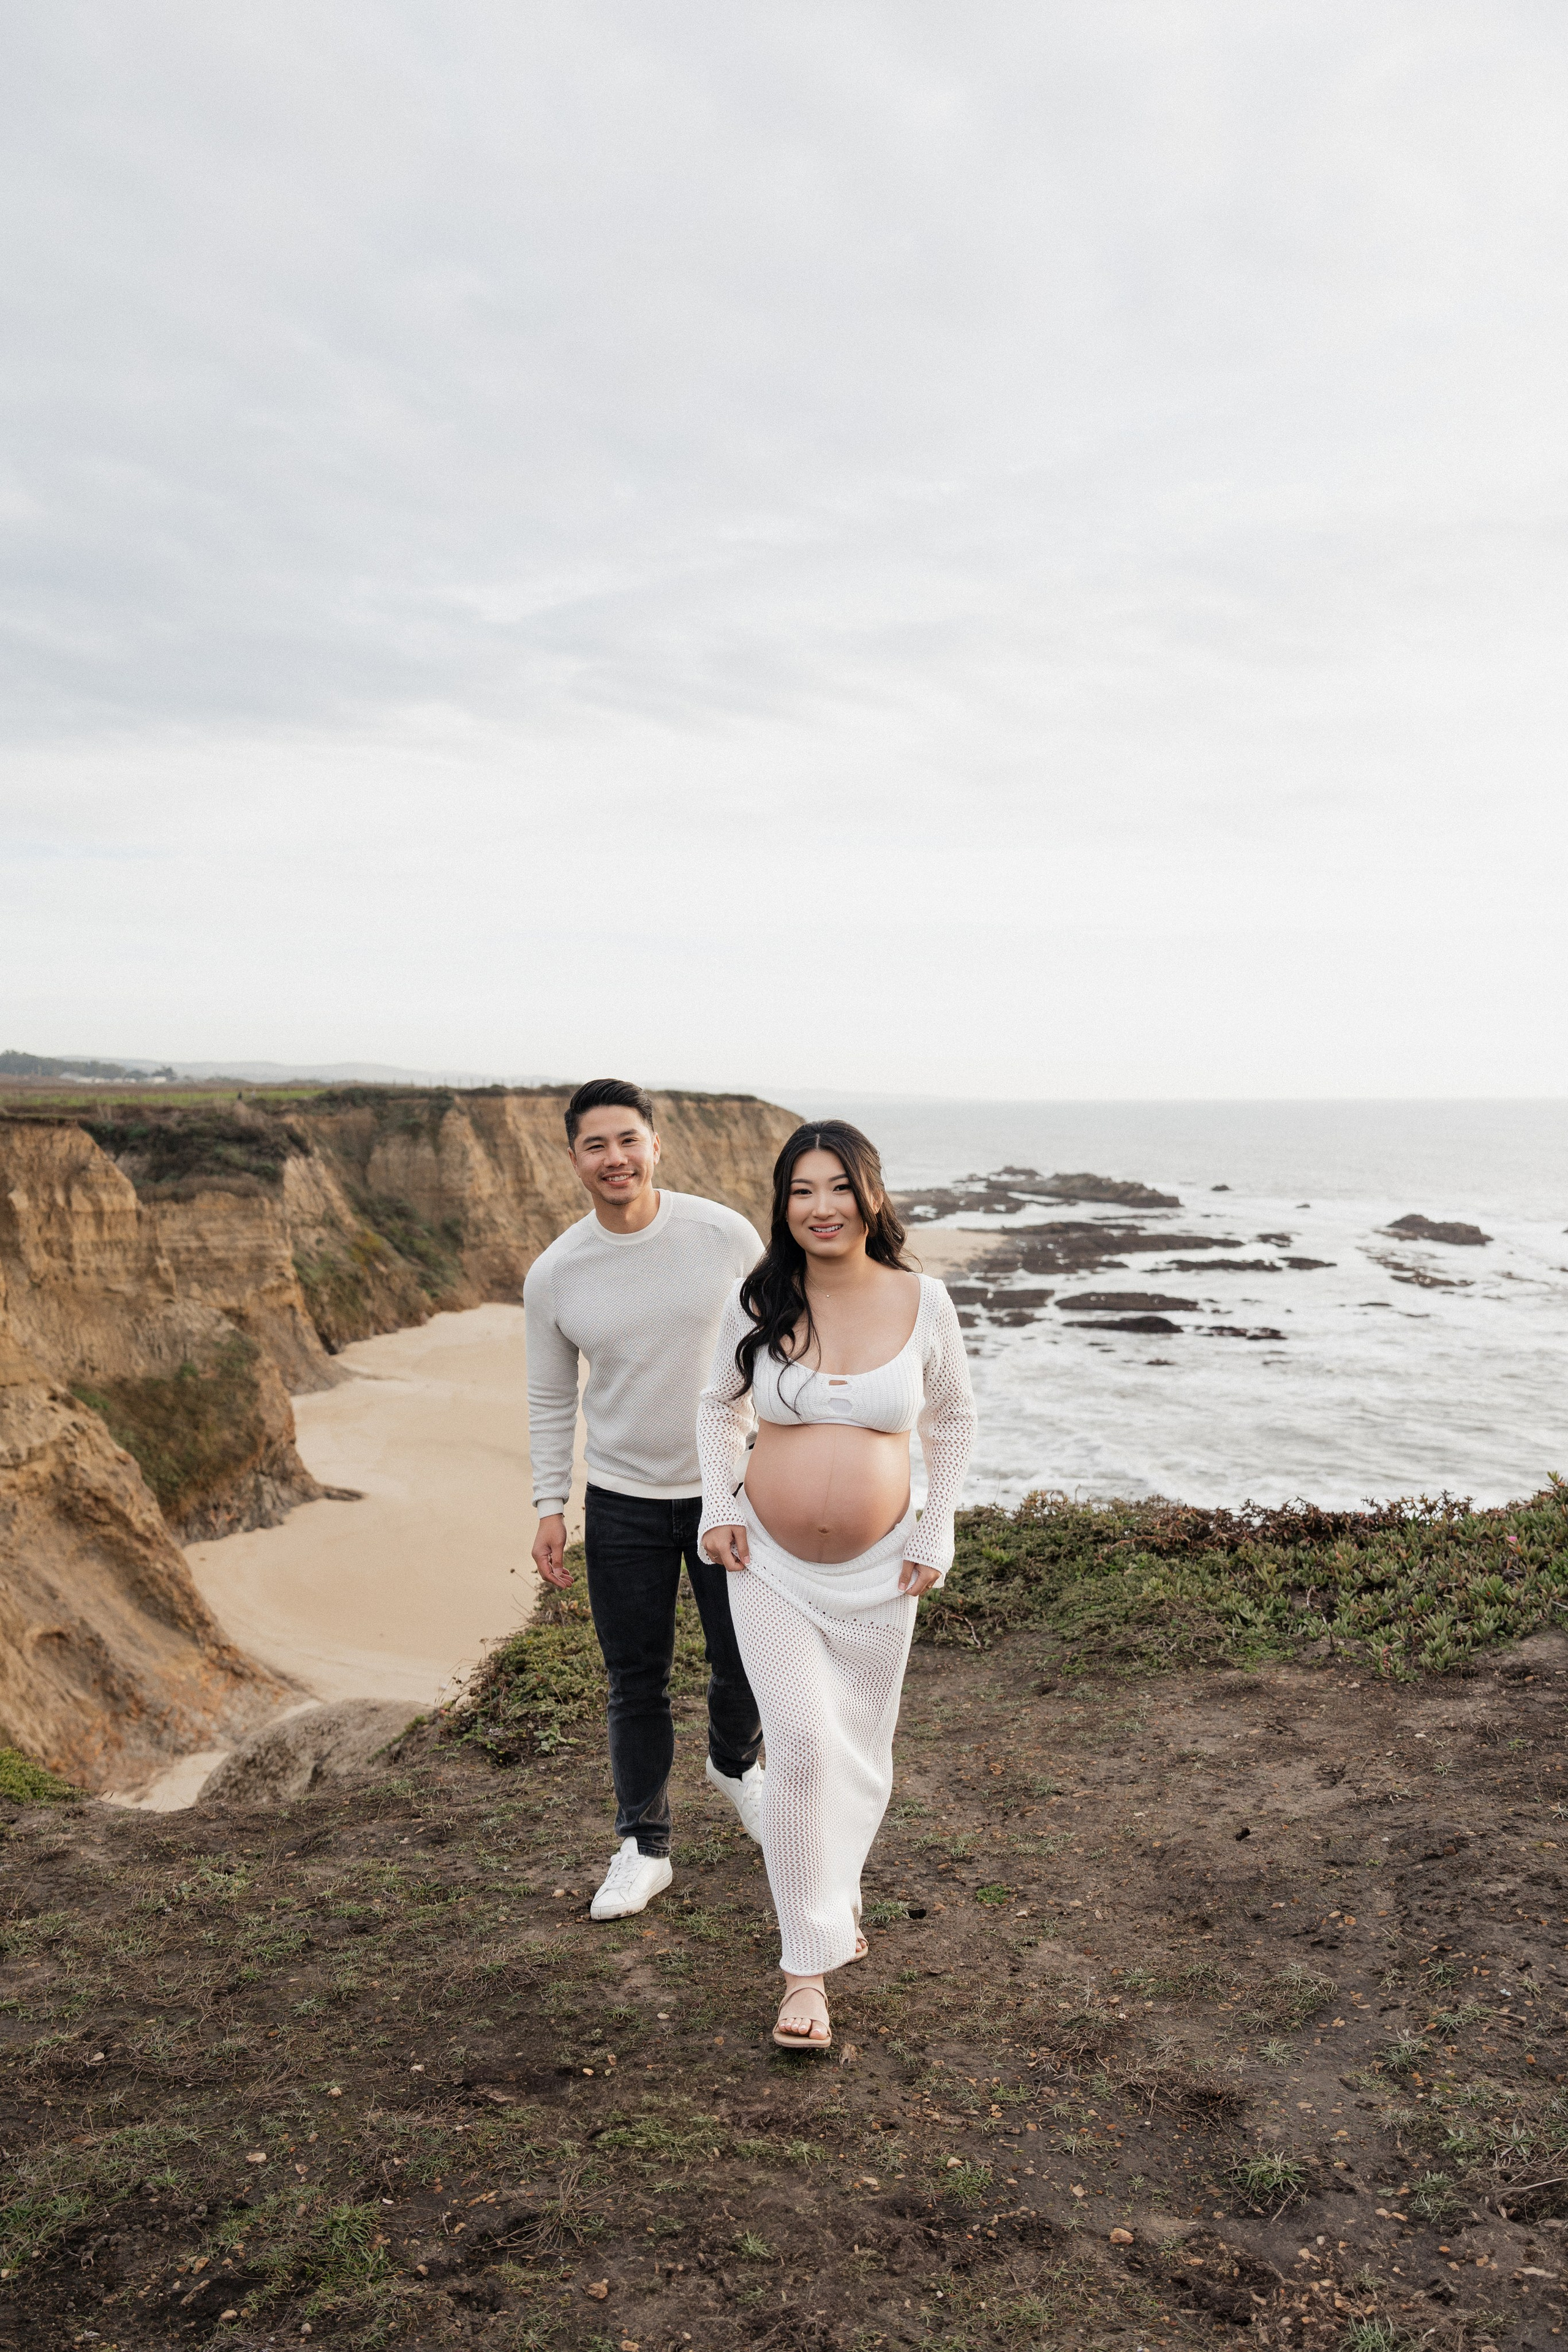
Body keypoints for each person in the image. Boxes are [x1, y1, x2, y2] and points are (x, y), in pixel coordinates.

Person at [696, 1120, 976, 2049]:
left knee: (857, 1755)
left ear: (872, 1195)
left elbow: (954, 1420)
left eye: (839, 1187)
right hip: (769, 1567)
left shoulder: (923, 1299)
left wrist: (935, 1525)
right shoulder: (761, 1297)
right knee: (804, 1745)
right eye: (802, 1190)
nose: (822, 1207)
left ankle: (831, 1897)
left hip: (880, 1573)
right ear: (783, 1205)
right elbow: (714, 1406)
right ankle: (804, 1973)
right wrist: (719, 1508)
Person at [525, 1078, 767, 1921]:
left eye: (628, 1140)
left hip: (727, 1489)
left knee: (748, 1662)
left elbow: (785, 1342)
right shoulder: (556, 1273)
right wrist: (548, 1504)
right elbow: (552, 1399)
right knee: (637, 1680)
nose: (615, 1158)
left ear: (656, 1144)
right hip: (622, 1500)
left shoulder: (722, 1234)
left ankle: (737, 1767)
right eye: (596, 1145)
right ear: (574, 1160)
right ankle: (643, 1845)